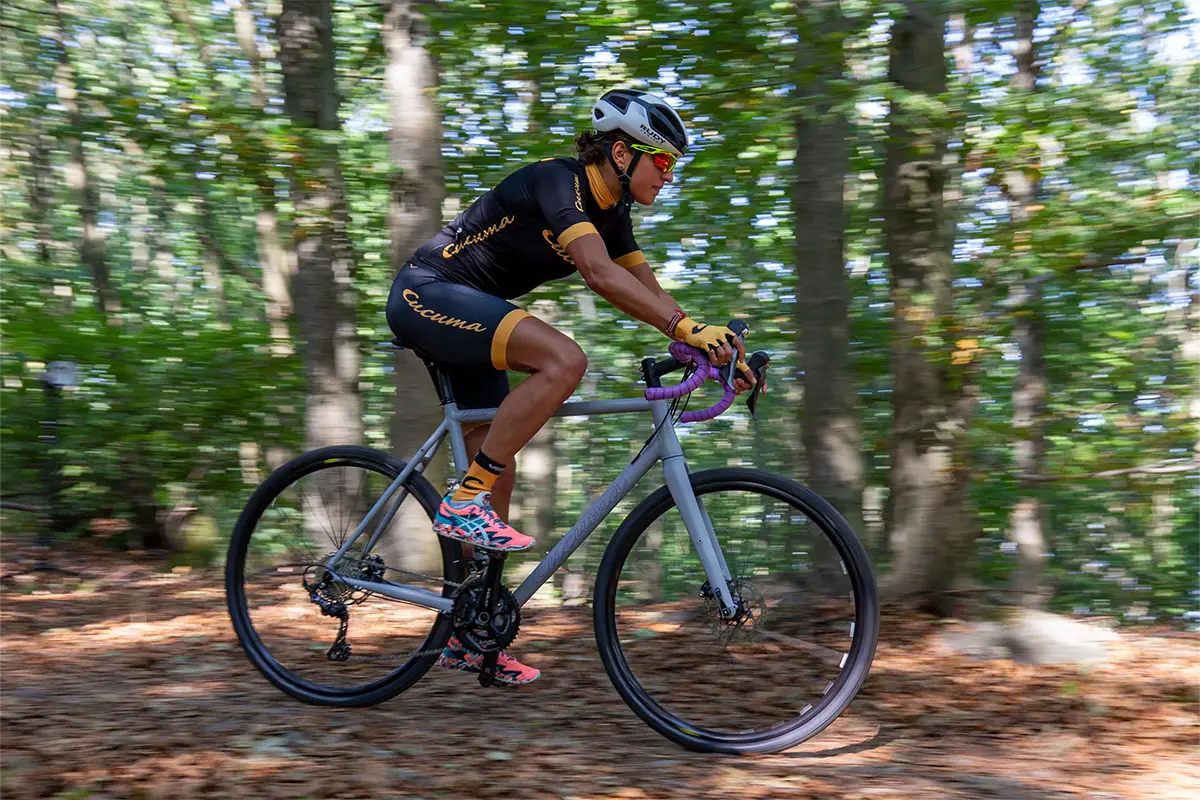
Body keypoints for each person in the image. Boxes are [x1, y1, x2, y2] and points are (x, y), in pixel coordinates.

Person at [386, 88, 755, 685]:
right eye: (661, 162)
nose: (668, 175)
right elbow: (598, 272)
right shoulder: (558, 183)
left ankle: (469, 632)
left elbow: (653, 296)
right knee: (564, 361)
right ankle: (460, 500)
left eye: (672, 166)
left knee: (497, 457)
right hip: (425, 294)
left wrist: (708, 346)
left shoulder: (616, 216)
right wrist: (683, 326)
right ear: (620, 152)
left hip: (475, 312)